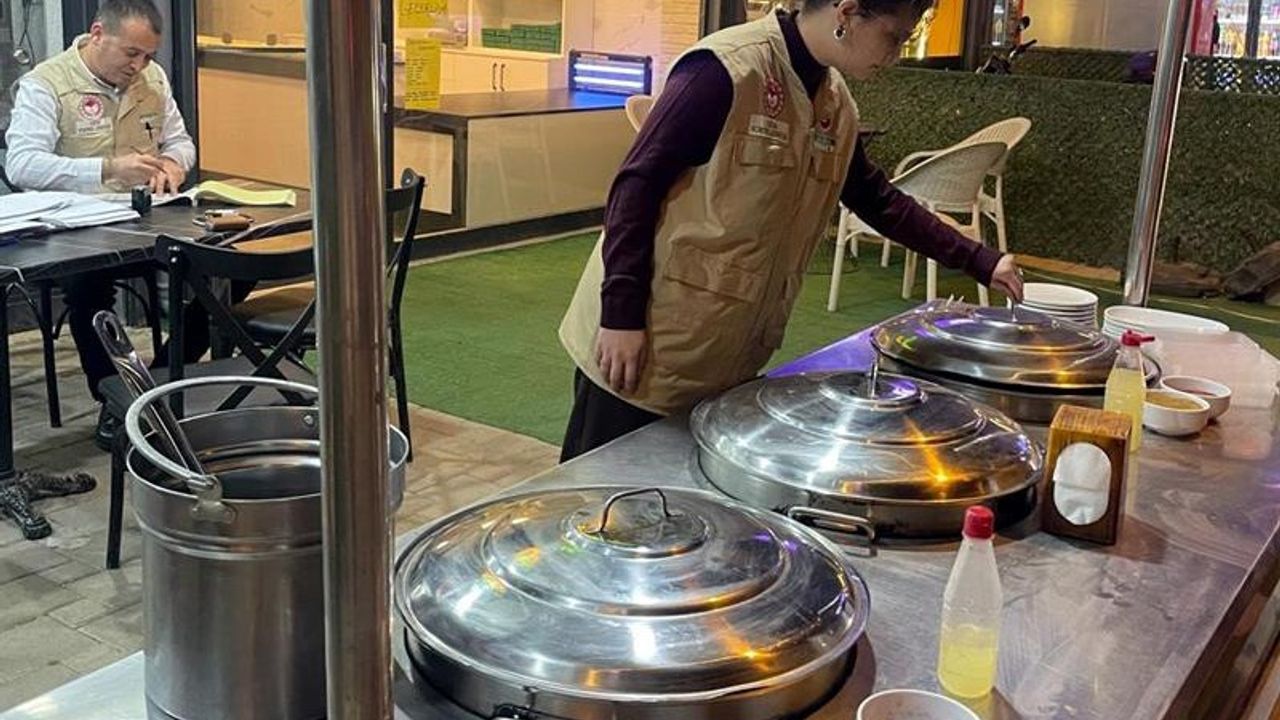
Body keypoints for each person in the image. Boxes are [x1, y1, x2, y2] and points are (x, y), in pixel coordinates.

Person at [558, 0, 1025, 461]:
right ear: (847, 13)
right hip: (644, 342)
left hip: (723, 353)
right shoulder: (725, 70)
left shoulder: (835, 103)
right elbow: (636, 186)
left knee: (680, 497)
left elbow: (877, 199)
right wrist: (620, 315)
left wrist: (981, 260)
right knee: (599, 490)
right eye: (893, 37)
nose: (895, 54)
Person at [5, 0, 204, 449]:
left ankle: (150, 387)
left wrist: (174, 163)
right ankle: (115, 402)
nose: (139, 66)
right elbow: (22, 165)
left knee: (228, 266)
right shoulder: (46, 84)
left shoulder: (153, 79)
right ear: (97, 34)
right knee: (87, 288)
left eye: (148, 56)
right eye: (131, 53)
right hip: (78, 226)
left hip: (147, 216)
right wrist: (107, 168)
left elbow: (181, 142)